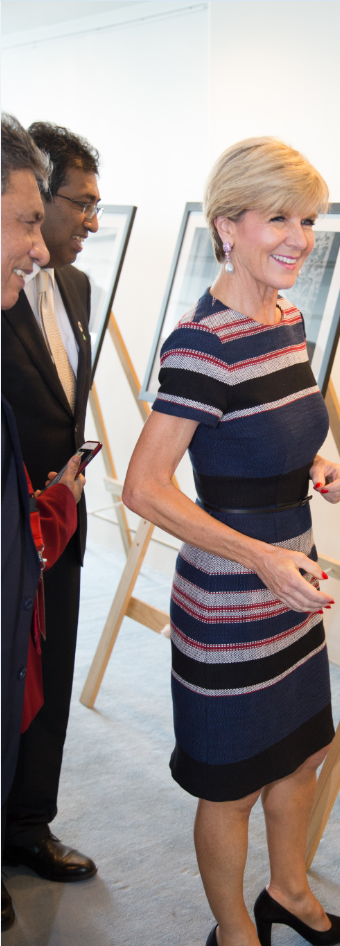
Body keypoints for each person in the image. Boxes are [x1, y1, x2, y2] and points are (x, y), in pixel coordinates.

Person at [123, 137, 340, 946]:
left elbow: (270, 430)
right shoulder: (201, 344)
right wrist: (258, 556)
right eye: (279, 218)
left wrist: (320, 465)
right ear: (228, 226)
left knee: (299, 756)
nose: (301, 236)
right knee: (228, 788)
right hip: (230, 602)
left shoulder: (288, 318)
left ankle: (287, 891)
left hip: (296, 583)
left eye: (310, 219)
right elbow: (143, 487)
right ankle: (235, 933)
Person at [1, 121, 100, 883]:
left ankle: (30, 825)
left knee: (53, 674)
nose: (88, 224)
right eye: (74, 206)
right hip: (14, 520)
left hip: (61, 523)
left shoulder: (75, 285)